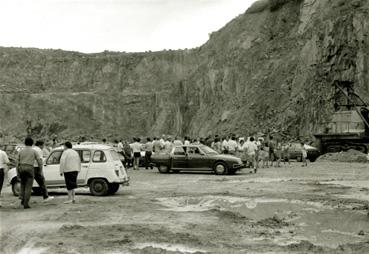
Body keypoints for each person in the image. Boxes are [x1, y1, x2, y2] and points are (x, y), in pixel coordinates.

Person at [17, 137, 43, 209]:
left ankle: (22, 198)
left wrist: (17, 172)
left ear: (25, 143)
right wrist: (40, 171)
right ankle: (26, 204)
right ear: (32, 143)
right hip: (29, 168)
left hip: (21, 167)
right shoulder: (34, 151)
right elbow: (39, 162)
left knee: (23, 183)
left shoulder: (20, 151)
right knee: (28, 186)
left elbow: (17, 163)